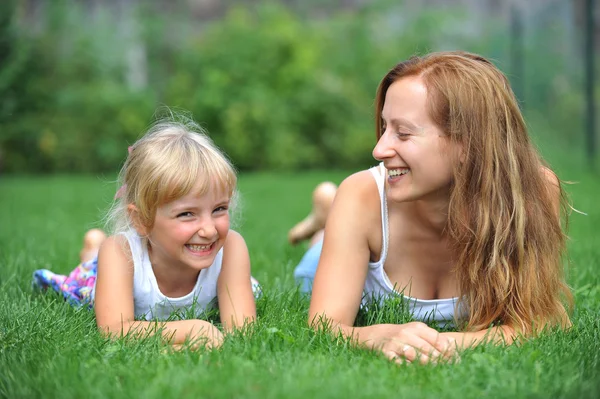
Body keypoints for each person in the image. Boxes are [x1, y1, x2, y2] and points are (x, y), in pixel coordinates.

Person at [294, 51, 572, 364]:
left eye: (403, 132)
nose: (379, 149)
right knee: (316, 253)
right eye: (384, 127)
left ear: (469, 143)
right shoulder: (360, 195)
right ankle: (324, 218)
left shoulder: (532, 193)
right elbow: (324, 326)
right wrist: (378, 335)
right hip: (348, 246)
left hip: (364, 225)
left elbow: (538, 322)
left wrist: (445, 343)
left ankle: (323, 214)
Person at [33, 117, 257, 349]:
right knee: (93, 267)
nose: (209, 230)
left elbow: (242, 332)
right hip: (107, 272)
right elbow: (114, 330)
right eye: (187, 214)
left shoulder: (230, 248)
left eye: (219, 209)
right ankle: (93, 249)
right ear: (141, 220)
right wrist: (194, 330)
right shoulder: (120, 252)